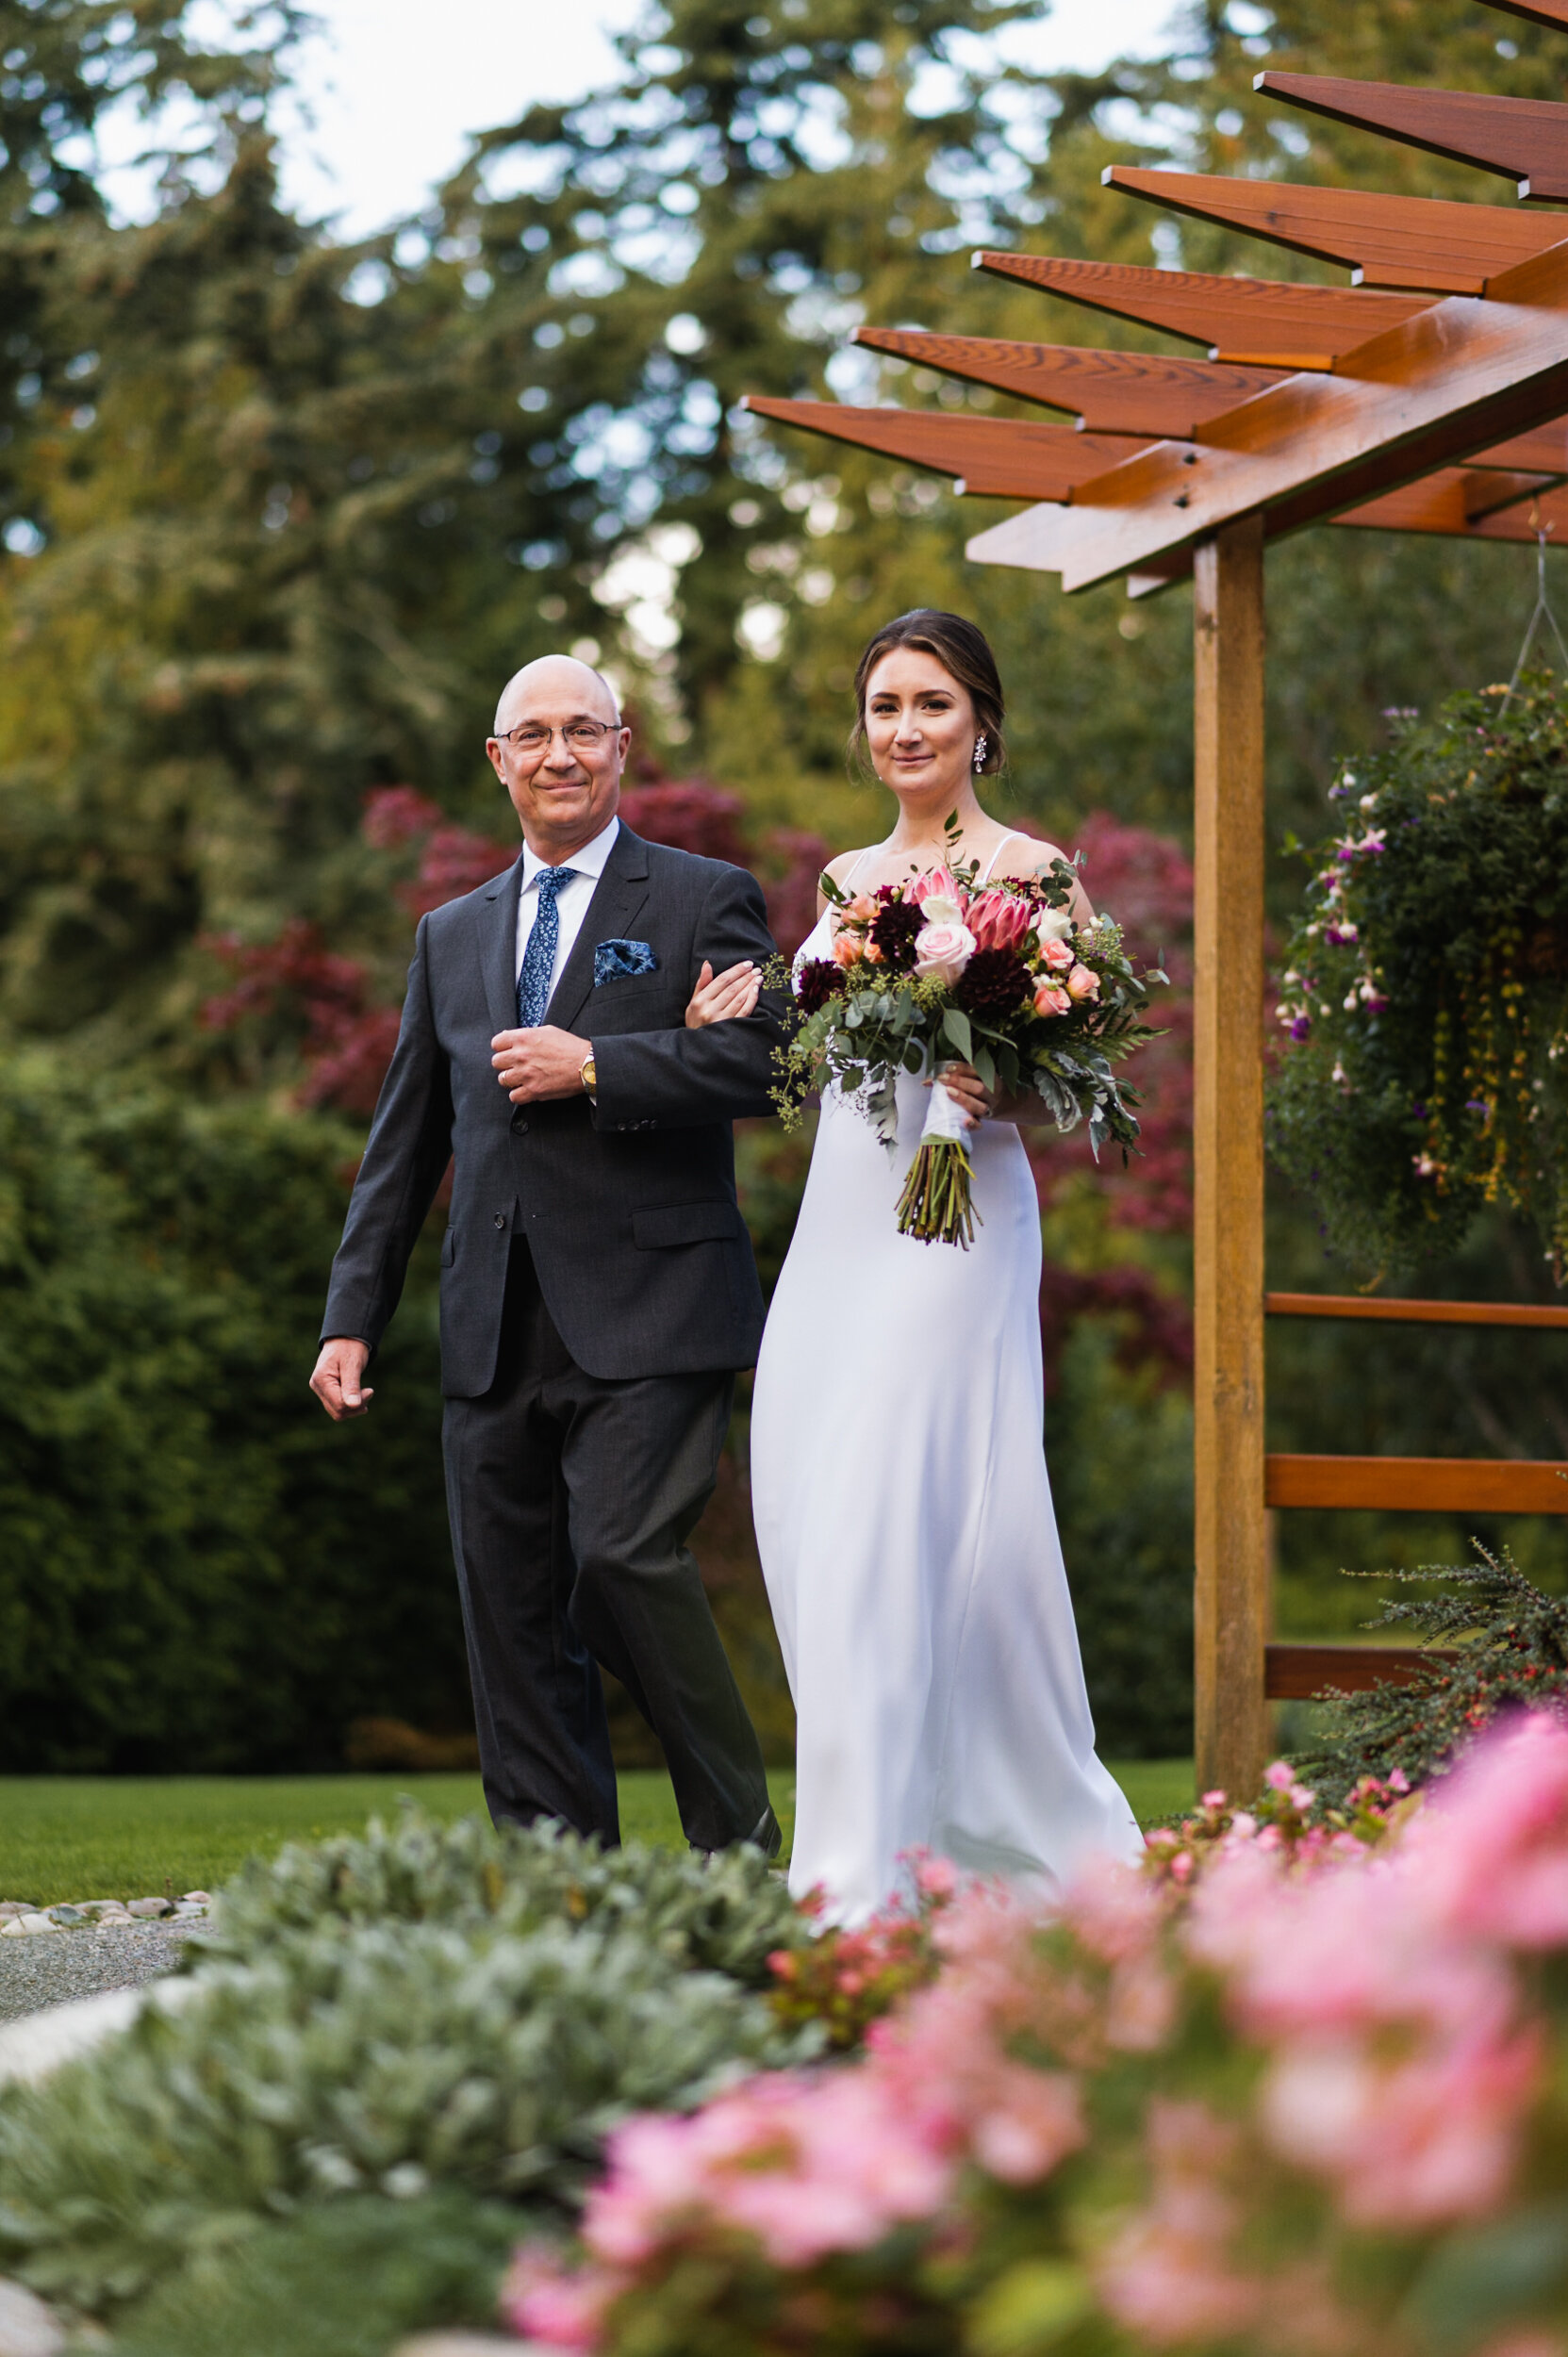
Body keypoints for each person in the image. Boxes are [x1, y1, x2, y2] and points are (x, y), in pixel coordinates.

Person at [692, 609, 1143, 1920]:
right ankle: (873, 1827)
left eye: (931, 704)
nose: (905, 729)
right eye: (885, 705)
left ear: (981, 723)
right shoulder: (838, 882)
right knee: (811, 1489)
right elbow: (819, 1060)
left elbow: (1085, 1071)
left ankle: (916, 1853)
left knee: (922, 1507)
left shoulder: (1035, 872)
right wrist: (739, 1013)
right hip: (846, 1210)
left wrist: (1007, 1089)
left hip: (958, 1221)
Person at [309, 654, 782, 1856]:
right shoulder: (447, 935)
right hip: (490, 1321)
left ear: (624, 747)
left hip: (655, 1301)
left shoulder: (699, 896)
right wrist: (349, 1315)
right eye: (535, 734)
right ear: (498, 758)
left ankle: (739, 1844)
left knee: (623, 1560)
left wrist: (603, 1065)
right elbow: (406, 1140)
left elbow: (766, 1065)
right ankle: (558, 1880)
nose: (559, 753)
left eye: (585, 731)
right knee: (511, 1616)